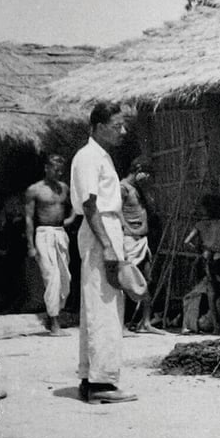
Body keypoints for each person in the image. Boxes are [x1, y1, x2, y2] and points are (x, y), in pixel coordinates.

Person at [70, 102, 137, 404]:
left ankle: (92, 377)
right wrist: (108, 245)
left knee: (103, 304)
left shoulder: (102, 157)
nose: (123, 131)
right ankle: (102, 384)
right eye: (117, 125)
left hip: (107, 226)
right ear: (98, 127)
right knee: (104, 306)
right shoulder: (87, 157)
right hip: (100, 230)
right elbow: (89, 204)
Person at [24, 154, 72, 335]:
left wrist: (71, 218)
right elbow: (28, 218)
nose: (58, 172)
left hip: (61, 233)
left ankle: (56, 313)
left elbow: (75, 203)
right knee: (51, 276)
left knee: (65, 278)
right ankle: (54, 323)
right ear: (46, 168)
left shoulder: (63, 188)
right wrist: (30, 245)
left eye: (61, 170)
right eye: (55, 169)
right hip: (43, 233)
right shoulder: (34, 190)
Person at [183, 193, 220, 334]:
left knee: (211, 292)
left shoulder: (199, 225)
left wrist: (200, 250)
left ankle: (217, 327)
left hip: (207, 258)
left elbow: (187, 242)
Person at [120, 157, 159, 333]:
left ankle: (146, 322)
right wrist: (127, 229)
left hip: (142, 240)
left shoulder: (138, 189)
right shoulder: (122, 188)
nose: (149, 177)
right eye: (147, 173)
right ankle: (120, 323)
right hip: (129, 239)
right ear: (138, 170)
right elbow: (116, 211)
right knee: (126, 281)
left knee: (147, 278)